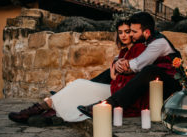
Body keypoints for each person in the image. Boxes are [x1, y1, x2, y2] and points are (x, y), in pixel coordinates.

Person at [8, 19, 147, 124]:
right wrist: (113, 75)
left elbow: (133, 80)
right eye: (120, 32)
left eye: (127, 32)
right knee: (79, 86)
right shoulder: (123, 52)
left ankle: (40, 110)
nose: (123, 35)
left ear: (133, 33)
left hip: (118, 94)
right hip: (113, 87)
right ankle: (46, 112)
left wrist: (113, 76)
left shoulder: (139, 49)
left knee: (79, 84)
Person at [78, 11, 182, 117]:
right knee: (113, 70)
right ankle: (83, 88)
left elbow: (137, 64)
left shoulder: (159, 43)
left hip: (171, 84)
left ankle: (109, 105)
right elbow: (127, 55)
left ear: (146, 32)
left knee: (149, 70)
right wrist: (117, 62)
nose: (130, 34)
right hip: (155, 82)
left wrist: (122, 65)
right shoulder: (145, 39)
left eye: (133, 31)